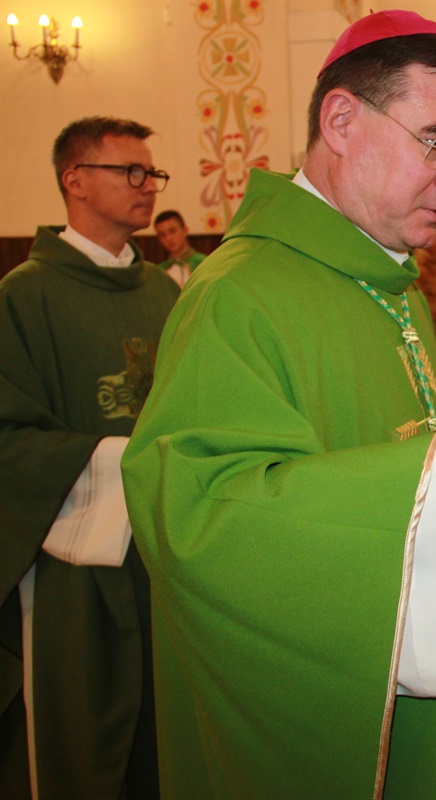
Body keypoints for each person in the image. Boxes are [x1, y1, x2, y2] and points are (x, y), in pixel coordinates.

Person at [120, 11, 436, 800]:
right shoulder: (238, 294)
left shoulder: (381, 278)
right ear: (340, 121)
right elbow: (196, 517)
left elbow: (404, 428)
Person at [0, 116, 177, 800]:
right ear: (75, 181)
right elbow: (9, 439)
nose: (148, 185)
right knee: (81, 742)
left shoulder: (164, 291)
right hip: (71, 555)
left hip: (167, 543)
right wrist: (119, 462)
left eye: (152, 173)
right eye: (129, 171)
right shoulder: (23, 296)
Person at [153, 210, 205, 287]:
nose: (168, 238)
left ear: (185, 230)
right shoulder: (159, 270)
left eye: (172, 231)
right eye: (162, 235)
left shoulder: (203, 262)